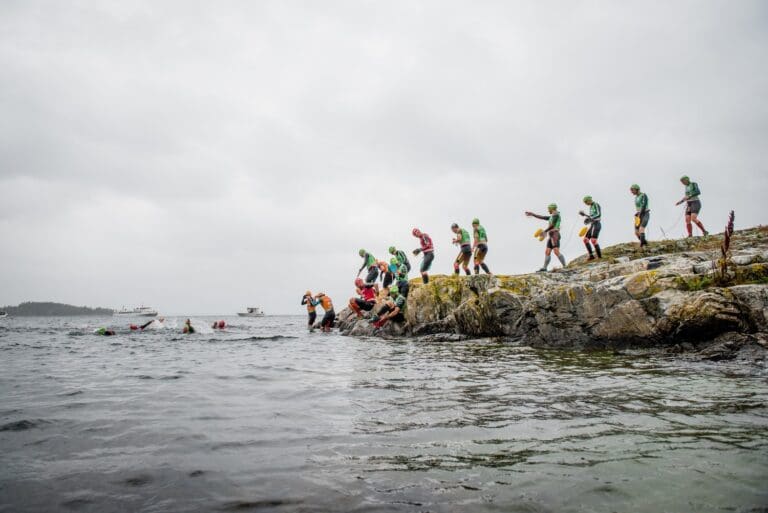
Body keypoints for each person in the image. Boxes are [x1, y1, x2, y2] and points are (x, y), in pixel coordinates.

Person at [525, 203, 567, 272]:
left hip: (555, 234)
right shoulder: (551, 216)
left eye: (549, 209)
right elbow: (542, 217)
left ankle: (565, 266)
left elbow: (552, 225)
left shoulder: (556, 214)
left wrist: (545, 231)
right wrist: (532, 214)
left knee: (556, 251)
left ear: (552, 208)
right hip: (551, 235)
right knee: (547, 252)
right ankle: (544, 267)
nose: (548, 211)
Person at [579, 196, 603, 260]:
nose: (585, 204)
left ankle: (600, 257)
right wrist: (585, 215)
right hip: (592, 225)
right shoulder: (591, 207)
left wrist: (589, 218)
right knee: (585, 240)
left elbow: (598, 214)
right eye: (585, 202)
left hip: (597, 224)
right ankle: (591, 256)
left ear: (589, 200)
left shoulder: (596, 204)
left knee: (593, 240)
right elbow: (591, 216)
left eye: (586, 202)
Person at [630, 184, 650, 248]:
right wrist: (637, 214)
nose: (631, 192)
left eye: (632, 190)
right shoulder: (636, 197)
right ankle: (645, 243)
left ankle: (642, 245)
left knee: (641, 229)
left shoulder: (643, 195)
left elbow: (644, 205)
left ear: (637, 189)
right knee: (636, 232)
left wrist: (640, 213)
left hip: (645, 213)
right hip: (638, 215)